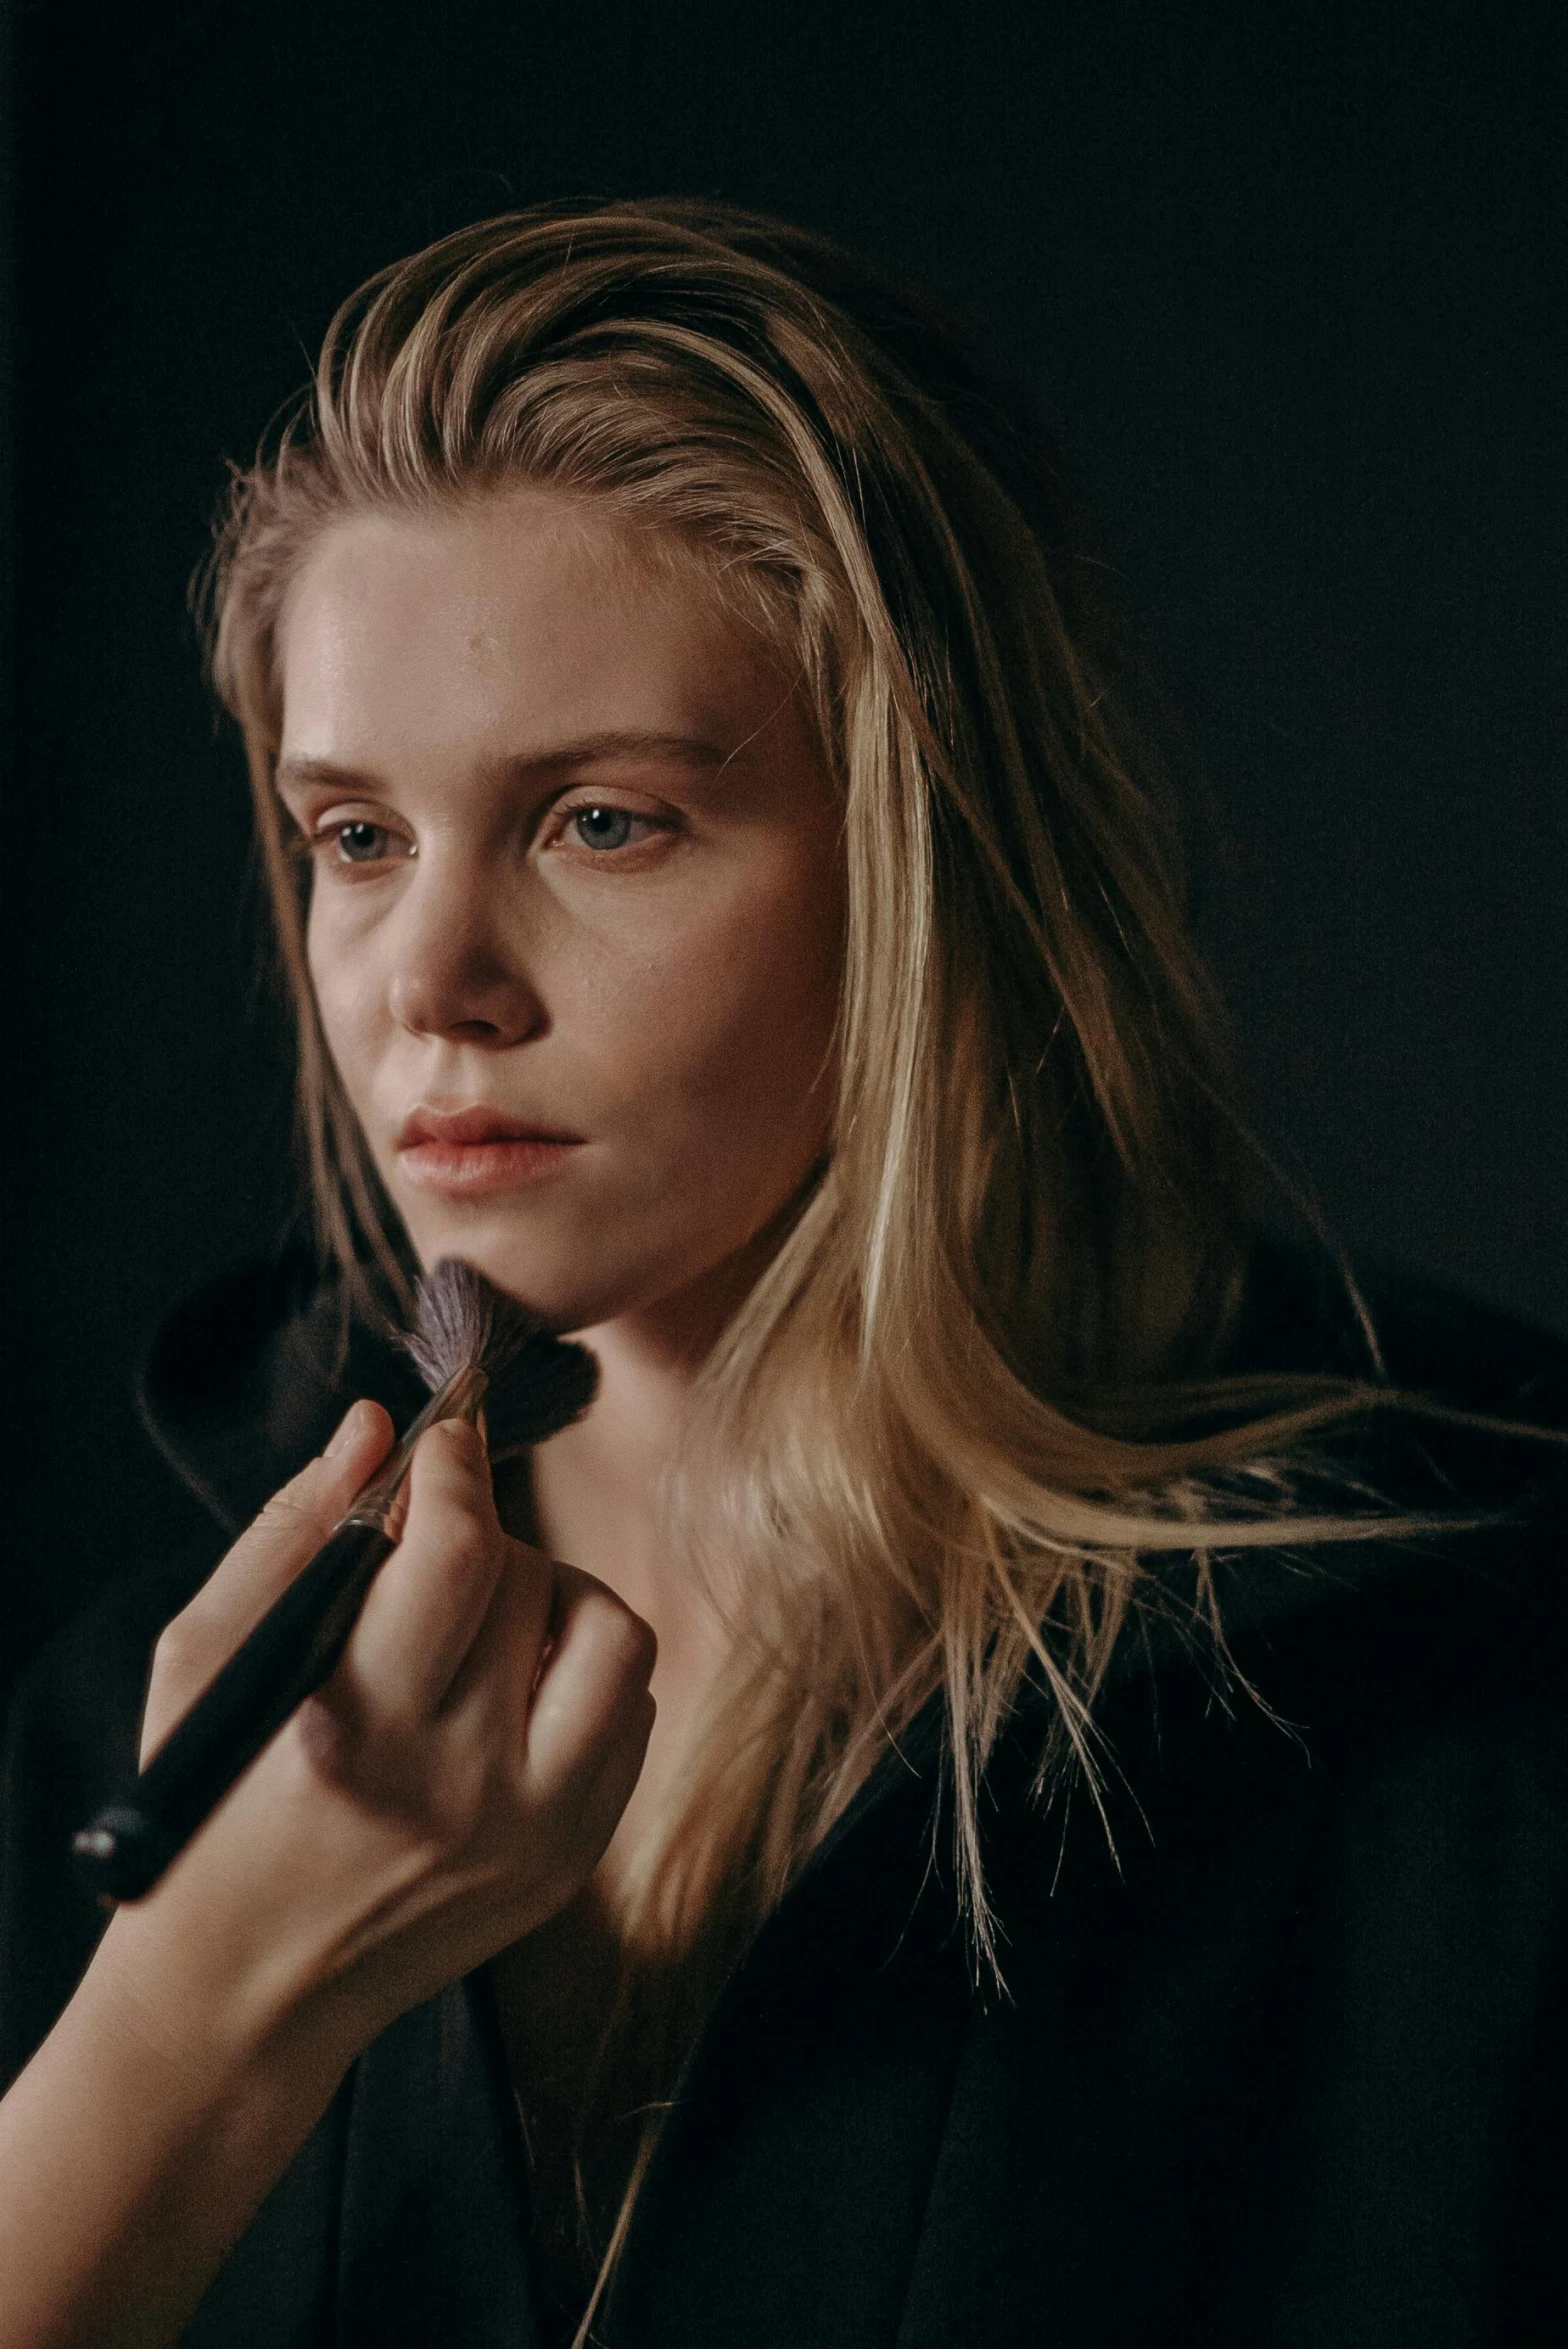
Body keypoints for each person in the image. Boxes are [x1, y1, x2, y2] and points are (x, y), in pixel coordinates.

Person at [1, 199, 1564, 2349]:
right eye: (354, 834)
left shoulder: (1447, 1703)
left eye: (602, 822)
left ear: (925, 853)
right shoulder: (159, 1709)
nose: (427, 984)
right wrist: (193, 2013)